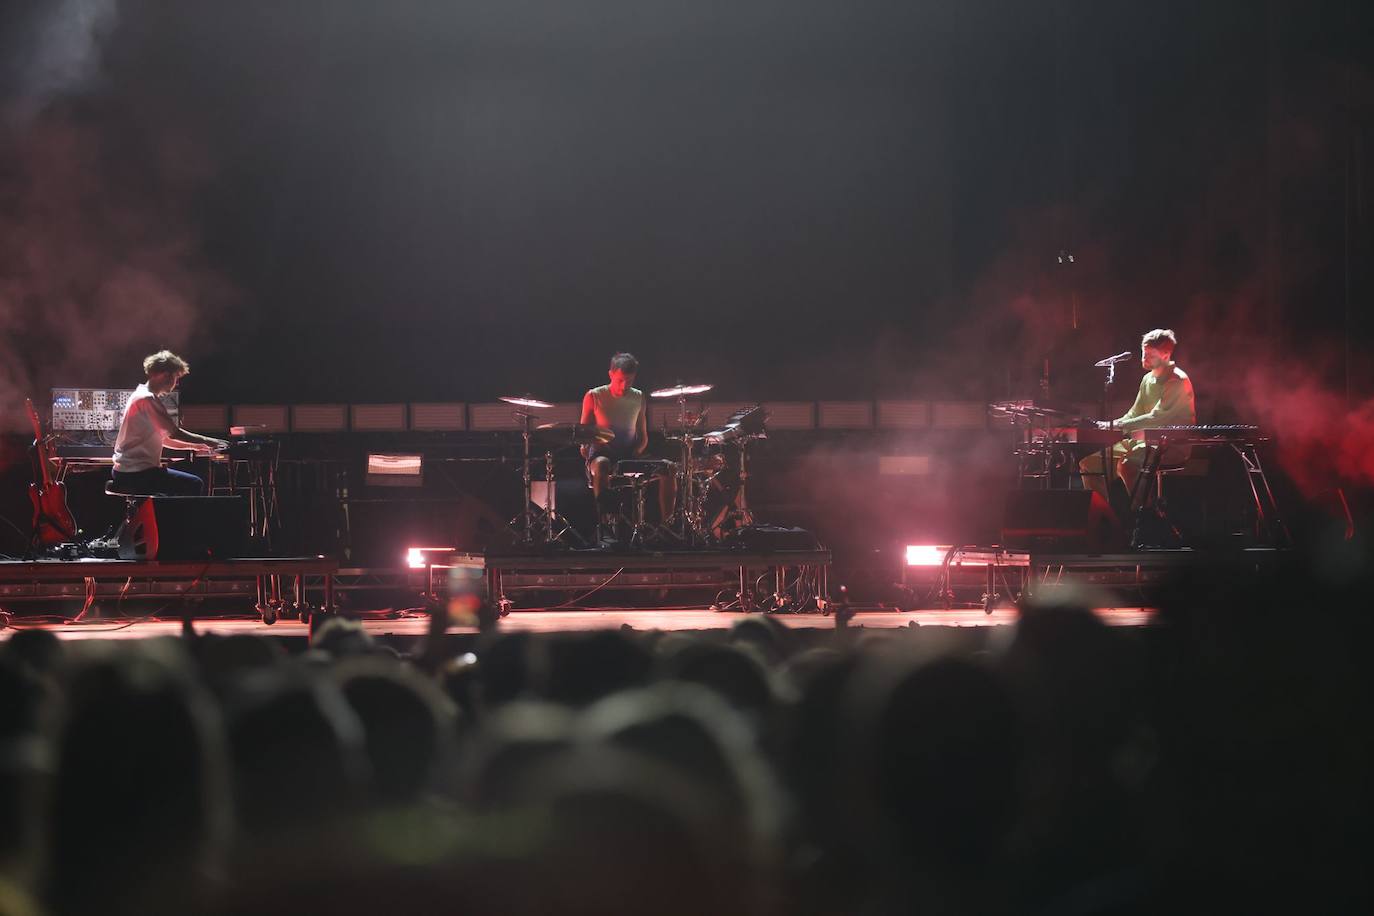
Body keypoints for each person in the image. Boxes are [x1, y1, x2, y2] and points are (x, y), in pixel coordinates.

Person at [1079, 329, 1196, 505]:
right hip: (1141, 442)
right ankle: (1105, 521)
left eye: (1150, 354)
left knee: (1126, 465)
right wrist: (1110, 424)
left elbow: (1157, 418)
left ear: (1165, 355)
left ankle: (1144, 518)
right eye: (1144, 352)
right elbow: (1135, 413)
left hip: (1170, 446)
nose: (1145, 357)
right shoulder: (1147, 380)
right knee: (1089, 466)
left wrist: (1119, 425)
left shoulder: (1178, 380)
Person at [109, 350, 228, 496]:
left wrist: (196, 446)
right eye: (176, 378)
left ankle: (167, 516)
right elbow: (174, 433)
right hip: (137, 474)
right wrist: (210, 441)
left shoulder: (140, 394)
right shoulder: (146, 399)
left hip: (128, 472)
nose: (176, 383)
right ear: (165, 375)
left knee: (184, 483)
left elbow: (163, 438)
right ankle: (174, 519)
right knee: (194, 484)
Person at [580, 352, 676, 527]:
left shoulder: (638, 397)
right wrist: (586, 446)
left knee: (669, 468)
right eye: (620, 380)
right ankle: (606, 525)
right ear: (611, 374)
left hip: (630, 455)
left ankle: (667, 526)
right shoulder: (594, 396)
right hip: (602, 455)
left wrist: (637, 451)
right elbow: (582, 433)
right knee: (602, 464)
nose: (624, 386)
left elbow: (643, 435)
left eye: (629, 381)